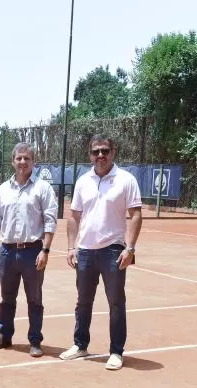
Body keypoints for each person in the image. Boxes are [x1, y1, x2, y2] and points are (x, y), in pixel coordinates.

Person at [60, 134, 143, 370]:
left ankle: (116, 351)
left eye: (105, 151)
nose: (100, 156)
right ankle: (80, 345)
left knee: (116, 302)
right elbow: (74, 216)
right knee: (83, 302)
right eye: (96, 151)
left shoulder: (126, 180)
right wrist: (70, 247)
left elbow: (136, 214)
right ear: (90, 155)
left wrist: (130, 248)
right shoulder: (82, 181)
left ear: (113, 152)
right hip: (85, 251)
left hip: (113, 251)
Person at [0, 142, 58, 357]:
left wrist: (45, 250)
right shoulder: (3, 189)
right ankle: (5, 336)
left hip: (32, 251)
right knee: (6, 298)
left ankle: (35, 340)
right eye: (19, 158)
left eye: (27, 158)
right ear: (13, 161)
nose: (23, 162)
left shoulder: (42, 188)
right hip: (7, 251)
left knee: (34, 299)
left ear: (33, 162)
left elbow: (50, 221)